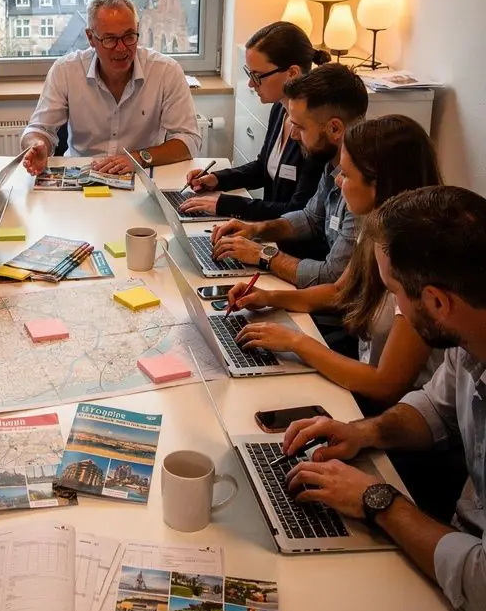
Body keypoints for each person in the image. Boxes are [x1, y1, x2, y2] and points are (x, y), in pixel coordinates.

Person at [282, 186, 486, 611]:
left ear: (436, 302)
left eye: (395, 294)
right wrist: (364, 432)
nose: (393, 308)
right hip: (451, 546)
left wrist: (376, 500)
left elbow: (482, 583)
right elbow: (434, 407)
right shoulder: (467, 338)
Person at [231, 115, 444, 406]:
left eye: (346, 174)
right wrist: (269, 297)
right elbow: (341, 291)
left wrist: (297, 342)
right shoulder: (376, 228)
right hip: (360, 378)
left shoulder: (420, 262)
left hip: (394, 410)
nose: (338, 181)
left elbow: (385, 385)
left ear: (378, 185)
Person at [211, 63, 369, 286]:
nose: (293, 135)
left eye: (301, 127)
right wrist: (255, 230)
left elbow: (332, 277)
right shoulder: (331, 160)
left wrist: (262, 254)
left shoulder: (365, 186)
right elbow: (310, 218)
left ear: (335, 129)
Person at [20, 0, 201, 177]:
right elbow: (38, 129)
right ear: (91, 38)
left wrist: (137, 159)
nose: (122, 48)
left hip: (142, 174)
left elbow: (188, 139)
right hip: (82, 176)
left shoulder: (165, 71)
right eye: (110, 39)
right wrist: (38, 145)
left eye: (129, 36)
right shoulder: (65, 71)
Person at [181, 21, 329, 219]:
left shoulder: (314, 129)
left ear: (292, 74)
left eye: (258, 76)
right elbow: (263, 168)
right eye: (249, 73)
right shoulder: (280, 109)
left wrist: (225, 204)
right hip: (269, 231)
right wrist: (217, 179)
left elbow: (297, 212)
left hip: (285, 241)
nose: (251, 83)